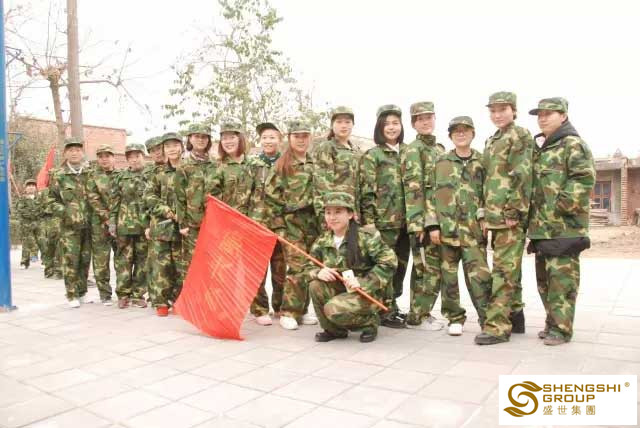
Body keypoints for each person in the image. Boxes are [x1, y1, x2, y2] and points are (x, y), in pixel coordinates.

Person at [525, 97, 595, 346]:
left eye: (549, 114)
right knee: (545, 282)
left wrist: (560, 208)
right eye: (540, 114)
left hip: (564, 229)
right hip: (542, 229)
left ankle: (562, 329)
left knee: (562, 283)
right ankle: (552, 323)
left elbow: (583, 178)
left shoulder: (572, 144)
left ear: (563, 116)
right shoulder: (542, 147)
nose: (542, 118)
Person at [475, 92, 534, 345]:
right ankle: (515, 316)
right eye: (493, 110)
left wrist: (514, 211)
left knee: (503, 272)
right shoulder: (492, 139)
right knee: (510, 271)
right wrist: (484, 213)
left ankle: (498, 327)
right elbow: (487, 180)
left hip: (509, 217)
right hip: (495, 216)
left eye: (503, 109)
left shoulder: (519, 135)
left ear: (514, 110)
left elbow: (523, 174)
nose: (497, 115)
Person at [425, 116, 492, 336]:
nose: (461, 134)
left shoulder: (482, 162)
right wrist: (432, 225)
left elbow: (489, 192)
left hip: (473, 231)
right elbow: (429, 195)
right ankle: (455, 318)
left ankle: (487, 318)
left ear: (473, 133)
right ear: (450, 136)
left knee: (480, 277)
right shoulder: (441, 162)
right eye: (456, 131)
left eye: (465, 130)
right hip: (446, 231)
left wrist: (485, 217)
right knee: (449, 278)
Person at [308, 192, 397, 343]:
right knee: (315, 285)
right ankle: (334, 330)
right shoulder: (323, 239)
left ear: (350, 214)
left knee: (333, 308)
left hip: (367, 292)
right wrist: (318, 272)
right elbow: (307, 266)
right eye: (328, 212)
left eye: (338, 212)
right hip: (342, 288)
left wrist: (364, 282)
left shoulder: (366, 237)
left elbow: (389, 262)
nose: (332, 217)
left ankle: (370, 323)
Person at [264, 119, 320, 330]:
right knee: (296, 267)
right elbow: (271, 198)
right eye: (297, 136)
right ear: (289, 138)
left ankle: (302, 310)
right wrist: (279, 227)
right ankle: (288, 312)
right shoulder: (282, 165)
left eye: (305, 136)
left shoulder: (315, 163)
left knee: (310, 266)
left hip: (313, 224)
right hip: (291, 224)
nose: (301, 140)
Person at [359, 104, 409, 328]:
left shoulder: (409, 152)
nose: (391, 127)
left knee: (401, 266)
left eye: (395, 123)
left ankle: (392, 305)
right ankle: (383, 309)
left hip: (407, 223)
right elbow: (367, 192)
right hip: (384, 223)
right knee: (385, 266)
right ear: (380, 127)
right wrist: (369, 223)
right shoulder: (373, 155)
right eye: (387, 124)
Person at [401, 101, 446, 331]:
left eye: (429, 117)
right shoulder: (414, 150)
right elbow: (414, 189)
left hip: (438, 219)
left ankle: (423, 312)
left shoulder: (438, 149)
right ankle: (417, 316)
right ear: (413, 124)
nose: (425, 122)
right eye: (420, 119)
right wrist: (418, 223)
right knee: (424, 270)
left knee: (433, 269)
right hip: (423, 222)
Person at [248, 122, 286, 326]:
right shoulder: (252, 164)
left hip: (280, 223)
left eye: (272, 137)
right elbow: (245, 193)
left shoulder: (286, 163)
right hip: (257, 224)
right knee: (257, 270)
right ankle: (260, 309)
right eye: (265, 137)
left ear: (280, 140)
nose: (268, 141)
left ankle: (280, 307)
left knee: (280, 270)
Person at [47, 138, 92, 308]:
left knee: (85, 260)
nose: (74, 153)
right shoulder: (58, 175)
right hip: (69, 227)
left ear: (82, 153)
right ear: (65, 153)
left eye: (78, 150)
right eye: (71, 150)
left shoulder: (89, 173)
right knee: (71, 260)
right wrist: (65, 212)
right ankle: (72, 294)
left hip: (88, 225)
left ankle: (82, 292)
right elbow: (50, 200)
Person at [144, 132, 184, 316]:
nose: (172, 149)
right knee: (161, 265)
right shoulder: (158, 173)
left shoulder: (189, 170)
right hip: (161, 226)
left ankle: (178, 300)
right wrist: (166, 210)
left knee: (181, 265)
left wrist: (184, 214)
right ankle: (161, 302)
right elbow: (149, 196)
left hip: (184, 227)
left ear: (182, 147)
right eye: (168, 146)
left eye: (175, 145)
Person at [110, 143, 150, 309]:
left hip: (144, 226)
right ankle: (123, 294)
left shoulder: (151, 175)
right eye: (131, 157)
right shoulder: (121, 177)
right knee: (123, 261)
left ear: (143, 156)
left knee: (143, 261)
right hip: (124, 225)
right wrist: (112, 223)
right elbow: (114, 201)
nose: (134, 159)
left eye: (137, 156)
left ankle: (138, 294)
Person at [175, 123, 216, 270]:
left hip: (214, 223)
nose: (200, 140)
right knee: (194, 265)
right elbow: (179, 196)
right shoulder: (184, 166)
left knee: (213, 264)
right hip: (193, 225)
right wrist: (182, 224)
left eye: (204, 137)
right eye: (197, 136)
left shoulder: (216, 164)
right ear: (190, 139)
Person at [312, 106, 361, 225]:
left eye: (347, 122)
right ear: (332, 125)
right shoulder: (327, 148)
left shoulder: (356, 151)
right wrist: (326, 219)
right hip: (335, 216)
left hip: (354, 213)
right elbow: (322, 187)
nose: (343, 126)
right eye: (339, 122)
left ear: (353, 125)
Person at [86, 144, 118, 305]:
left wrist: (116, 219)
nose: (104, 159)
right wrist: (107, 218)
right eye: (101, 156)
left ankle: (124, 293)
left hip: (120, 223)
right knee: (101, 260)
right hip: (99, 224)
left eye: (107, 156)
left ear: (113, 157)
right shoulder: (93, 176)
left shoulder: (122, 175)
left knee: (122, 259)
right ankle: (105, 294)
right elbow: (93, 199)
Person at [208, 122, 254, 215]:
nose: (228, 142)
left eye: (232, 137)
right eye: (224, 138)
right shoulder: (216, 167)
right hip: (227, 218)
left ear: (240, 139)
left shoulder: (254, 165)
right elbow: (213, 200)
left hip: (251, 220)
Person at [142, 135, 166, 294]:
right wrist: (146, 225)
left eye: (159, 149)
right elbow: (143, 201)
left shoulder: (180, 166)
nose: (157, 153)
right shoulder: (147, 173)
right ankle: (156, 296)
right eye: (153, 151)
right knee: (156, 261)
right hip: (157, 222)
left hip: (178, 219)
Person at [37, 174, 63, 279]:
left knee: (60, 244)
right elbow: (38, 206)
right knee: (50, 245)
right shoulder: (45, 192)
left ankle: (58, 270)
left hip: (61, 219)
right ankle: (49, 269)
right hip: (48, 220)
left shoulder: (65, 188)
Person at [15, 179, 40, 269]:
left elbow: (42, 209)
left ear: (36, 188)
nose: (31, 187)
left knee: (41, 240)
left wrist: (37, 214)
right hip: (26, 224)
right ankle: (24, 262)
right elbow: (21, 210)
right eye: (29, 186)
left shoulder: (39, 198)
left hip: (38, 223)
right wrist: (33, 213)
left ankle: (42, 259)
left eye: (33, 186)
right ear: (25, 188)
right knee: (27, 242)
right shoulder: (22, 199)